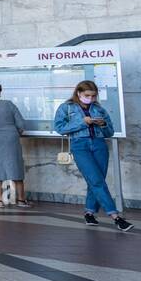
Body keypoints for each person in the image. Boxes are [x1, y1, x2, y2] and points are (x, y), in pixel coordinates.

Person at [53, 80, 133, 232]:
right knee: (96, 181)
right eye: (87, 95)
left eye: (93, 96)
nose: (90, 98)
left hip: (99, 145)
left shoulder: (99, 109)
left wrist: (103, 125)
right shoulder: (67, 107)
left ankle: (89, 213)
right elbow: (59, 128)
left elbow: (110, 132)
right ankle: (116, 217)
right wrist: (82, 122)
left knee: (96, 180)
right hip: (79, 146)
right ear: (79, 93)